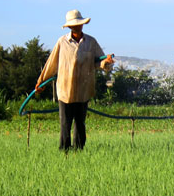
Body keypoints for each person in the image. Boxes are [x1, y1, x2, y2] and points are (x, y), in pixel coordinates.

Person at [35, 9, 114, 150]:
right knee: (65, 124)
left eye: (79, 24)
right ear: (70, 27)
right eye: (74, 25)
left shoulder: (91, 42)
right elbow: (51, 63)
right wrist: (41, 82)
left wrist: (106, 62)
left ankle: (79, 151)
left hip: (83, 89)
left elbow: (99, 62)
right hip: (65, 90)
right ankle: (64, 152)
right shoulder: (62, 42)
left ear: (82, 25)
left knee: (80, 124)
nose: (77, 27)